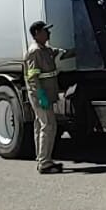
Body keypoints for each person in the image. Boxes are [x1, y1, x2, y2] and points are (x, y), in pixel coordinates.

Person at [24, 21, 74, 174]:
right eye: (46, 31)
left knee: (41, 126)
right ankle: (45, 163)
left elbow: (61, 53)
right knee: (49, 126)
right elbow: (32, 77)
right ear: (37, 33)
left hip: (47, 94)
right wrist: (41, 96)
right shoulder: (34, 51)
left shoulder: (45, 49)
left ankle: (42, 159)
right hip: (41, 96)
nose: (49, 33)